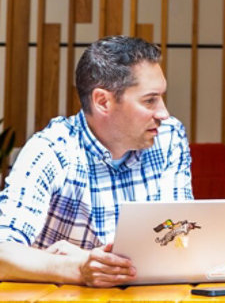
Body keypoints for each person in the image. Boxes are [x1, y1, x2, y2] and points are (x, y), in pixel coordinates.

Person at [0, 36, 192, 287]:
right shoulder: (51, 149)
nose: (163, 113)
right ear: (103, 101)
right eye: (149, 100)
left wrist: (91, 261)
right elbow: (2, 251)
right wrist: (77, 267)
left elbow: (179, 238)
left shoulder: (168, 137)